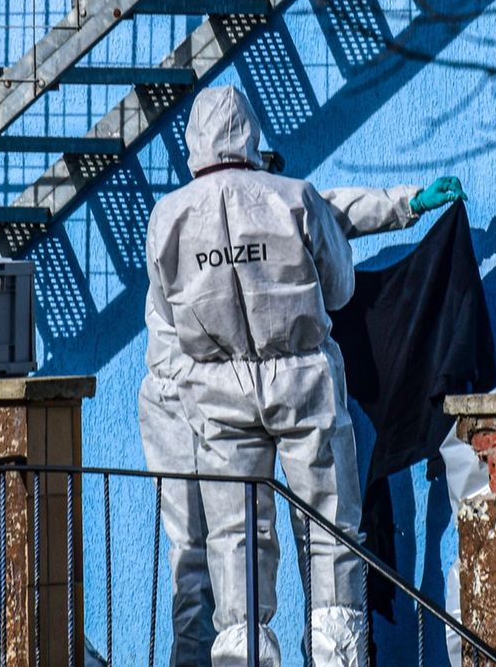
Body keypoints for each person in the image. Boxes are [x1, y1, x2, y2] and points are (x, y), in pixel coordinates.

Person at [142, 85, 465, 666]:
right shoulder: (291, 196)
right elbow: (339, 285)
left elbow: (167, 312)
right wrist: (406, 203)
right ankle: (335, 656)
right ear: (250, 134)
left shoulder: (169, 217)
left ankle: (242, 655)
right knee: (330, 532)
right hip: (301, 381)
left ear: (194, 142)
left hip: (218, 390)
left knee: (235, 538)